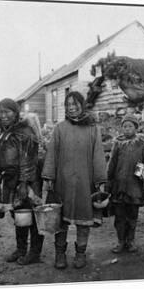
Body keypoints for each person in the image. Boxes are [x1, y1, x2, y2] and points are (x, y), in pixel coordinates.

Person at [42, 91, 107, 269]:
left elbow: (98, 156)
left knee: (83, 219)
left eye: (75, 104)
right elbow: (52, 154)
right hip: (62, 182)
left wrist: (100, 180)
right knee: (60, 220)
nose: (71, 108)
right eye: (68, 105)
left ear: (82, 105)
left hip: (85, 183)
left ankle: (80, 254)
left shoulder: (93, 129)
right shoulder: (60, 129)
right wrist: (49, 177)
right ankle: (60, 254)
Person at [0, 98, 44, 265]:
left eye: (7, 111)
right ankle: (21, 249)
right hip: (10, 180)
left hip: (27, 180)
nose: (3, 115)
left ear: (15, 113)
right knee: (19, 216)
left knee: (32, 217)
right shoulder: (5, 132)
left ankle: (34, 253)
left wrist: (23, 183)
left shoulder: (25, 132)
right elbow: (0, 156)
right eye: (0, 112)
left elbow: (28, 159)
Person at [106, 114, 144, 253]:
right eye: (124, 126)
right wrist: (108, 180)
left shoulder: (141, 143)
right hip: (118, 186)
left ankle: (130, 241)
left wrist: (143, 174)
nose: (127, 129)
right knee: (119, 216)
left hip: (134, 187)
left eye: (130, 126)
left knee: (132, 216)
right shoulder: (117, 143)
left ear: (136, 128)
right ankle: (120, 241)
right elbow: (112, 163)